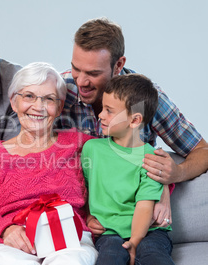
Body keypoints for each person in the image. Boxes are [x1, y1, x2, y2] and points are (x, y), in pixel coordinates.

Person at [59, 17, 208, 230]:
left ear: (119, 64)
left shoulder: (144, 98)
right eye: (76, 69)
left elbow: (202, 150)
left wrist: (175, 175)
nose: (81, 82)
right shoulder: (57, 91)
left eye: (93, 73)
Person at [0, 62, 98, 265]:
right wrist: (5, 230)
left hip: (69, 238)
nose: (38, 106)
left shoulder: (80, 144)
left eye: (49, 99)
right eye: (29, 96)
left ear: (60, 107)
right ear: (13, 102)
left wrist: (165, 183)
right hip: (12, 242)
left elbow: (127, 160)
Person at [81, 74, 175, 265]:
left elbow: (144, 207)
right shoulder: (92, 149)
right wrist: (89, 217)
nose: (100, 115)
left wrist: (134, 242)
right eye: (102, 108)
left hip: (149, 231)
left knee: (152, 255)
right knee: (110, 257)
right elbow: (85, 191)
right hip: (108, 233)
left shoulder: (152, 159)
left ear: (134, 120)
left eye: (109, 111)